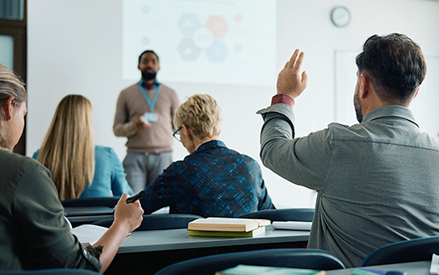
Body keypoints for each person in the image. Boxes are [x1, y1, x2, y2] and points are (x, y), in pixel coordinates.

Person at [257, 34, 439, 268]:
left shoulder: (338, 145)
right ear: (415, 92)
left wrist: (285, 96)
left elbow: (273, 150)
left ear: (363, 84)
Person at [0, 65, 143, 272]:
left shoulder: (40, 156)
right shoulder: (24, 173)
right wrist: (122, 224)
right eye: (24, 114)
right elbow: (77, 268)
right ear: (9, 107)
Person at [136, 94, 274, 216]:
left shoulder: (179, 172)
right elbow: (271, 214)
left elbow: (137, 208)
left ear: (186, 131)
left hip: (194, 246)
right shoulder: (250, 166)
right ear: (218, 128)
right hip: (248, 246)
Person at [34, 95, 133, 200]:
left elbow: (32, 199)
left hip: (57, 217)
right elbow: (127, 198)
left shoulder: (40, 157)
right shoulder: (107, 156)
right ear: (87, 121)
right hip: (99, 217)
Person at [113, 50, 179, 193]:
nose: (149, 64)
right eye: (145, 61)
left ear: (158, 66)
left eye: (153, 61)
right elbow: (117, 129)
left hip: (163, 156)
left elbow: (179, 126)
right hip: (135, 157)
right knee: (133, 202)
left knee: (161, 206)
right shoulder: (126, 94)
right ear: (138, 65)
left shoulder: (170, 93)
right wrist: (133, 126)